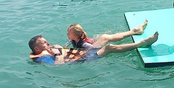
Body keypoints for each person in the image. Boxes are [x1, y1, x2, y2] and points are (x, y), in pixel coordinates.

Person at [29, 21, 158, 65]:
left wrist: (58, 50)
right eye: (44, 43)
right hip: (83, 58)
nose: (48, 43)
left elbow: (64, 52)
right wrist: (56, 54)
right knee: (108, 48)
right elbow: (58, 65)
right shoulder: (42, 58)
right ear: (36, 48)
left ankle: (134, 31)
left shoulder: (47, 52)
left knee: (104, 37)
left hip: (82, 52)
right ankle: (142, 43)